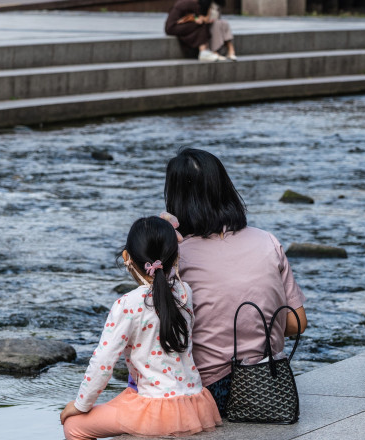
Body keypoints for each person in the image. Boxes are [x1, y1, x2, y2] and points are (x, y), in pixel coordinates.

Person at [164, 148, 307, 416]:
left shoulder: (176, 256)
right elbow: (296, 323)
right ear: (226, 189)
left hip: (209, 390)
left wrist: (161, 238)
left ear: (175, 198)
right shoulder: (267, 241)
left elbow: (157, 330)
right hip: (266, 383)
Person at [60, 217, 221, 439]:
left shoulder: (128, 304)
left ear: (127, 257)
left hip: (155, 408)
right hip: (193, 403)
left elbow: (103, 362)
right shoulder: (185, 293)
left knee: (74, 426)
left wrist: (80, 405)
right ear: (175, 257)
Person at [165, 0, 237, 62]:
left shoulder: (196, 3)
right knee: (202, 24)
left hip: (176, 26)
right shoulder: (191, 3)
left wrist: (196, 18)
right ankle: (204, 51)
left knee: (219, 23)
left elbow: (197, 17)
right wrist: (197, 19)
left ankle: (228, 51)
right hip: (173, 27)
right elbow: (201, 18)